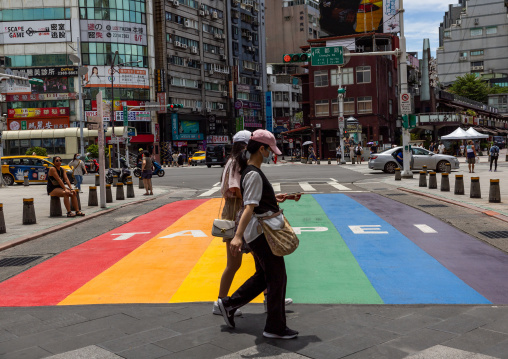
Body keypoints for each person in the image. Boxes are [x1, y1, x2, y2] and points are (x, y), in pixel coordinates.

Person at [217, 129, 298, 340]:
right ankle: (274, 327)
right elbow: (249, 207)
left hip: (259, 231)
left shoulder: (252, 171)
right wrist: (237, 236)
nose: (272, 154)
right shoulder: (253, 173)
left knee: (265, 276)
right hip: (261, 233)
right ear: (261, 149)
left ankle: (228, 304)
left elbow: (255, 201)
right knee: (277, 277)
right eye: (270, 150)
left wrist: (277, 197)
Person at [213, 130, 252, 318]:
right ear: (245, 145)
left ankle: (271, 295)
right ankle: (221, 301)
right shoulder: (237, 162)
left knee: (241, 261)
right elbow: (236, 188)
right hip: (237, 211)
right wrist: (252, 201)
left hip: (232, 210)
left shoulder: (230, 161)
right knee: (235, 262)